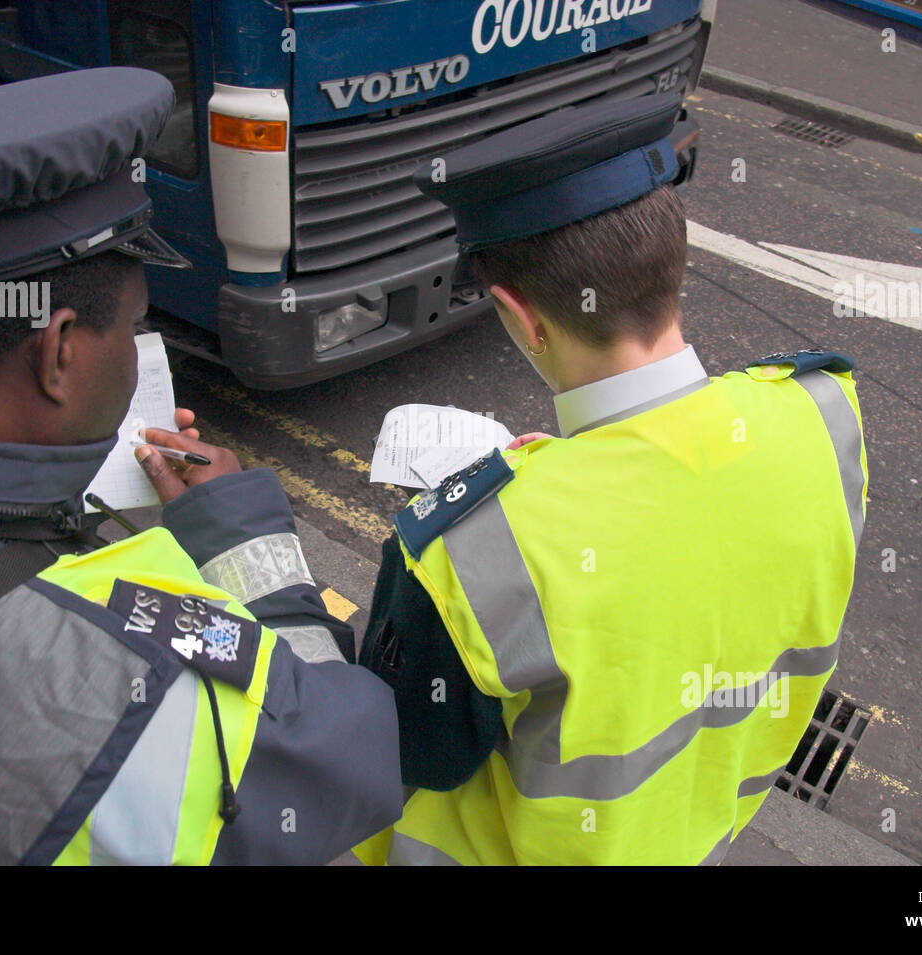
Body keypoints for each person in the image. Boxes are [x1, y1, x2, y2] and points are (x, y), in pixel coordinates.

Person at [0, 67, 401, 865]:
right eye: (137, 325)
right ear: (60, 353)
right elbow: (353, 763)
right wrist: (253, 554)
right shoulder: (132, 685)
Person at [358, 93, 868, 865]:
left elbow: (396, 753)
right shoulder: (826, 413)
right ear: (676, 257)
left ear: (517, 312)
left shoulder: (466, 551)